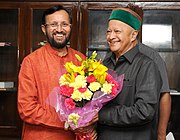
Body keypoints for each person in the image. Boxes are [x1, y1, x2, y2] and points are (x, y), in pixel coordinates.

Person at [17, 5, 87, 140]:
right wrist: (67, 121)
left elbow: (89, 103)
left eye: (64, 24)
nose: (59, 29)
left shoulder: (81, 60)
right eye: (53, 25)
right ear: (44, 29)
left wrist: (89, 124)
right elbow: (27, 109)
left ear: (70, 27)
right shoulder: (31, 62)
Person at [97, 7, 162, 140]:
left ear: (133, 35)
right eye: (108, 31)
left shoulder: (147, 66)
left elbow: (144, 111)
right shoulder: (104, 64)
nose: (110, 37)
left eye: (117, 31)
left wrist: (100, 115)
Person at [126, 4, 171, 140]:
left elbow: (165, 96)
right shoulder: (109, 57)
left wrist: (161, 134)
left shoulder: (151, 57)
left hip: (143, 131)